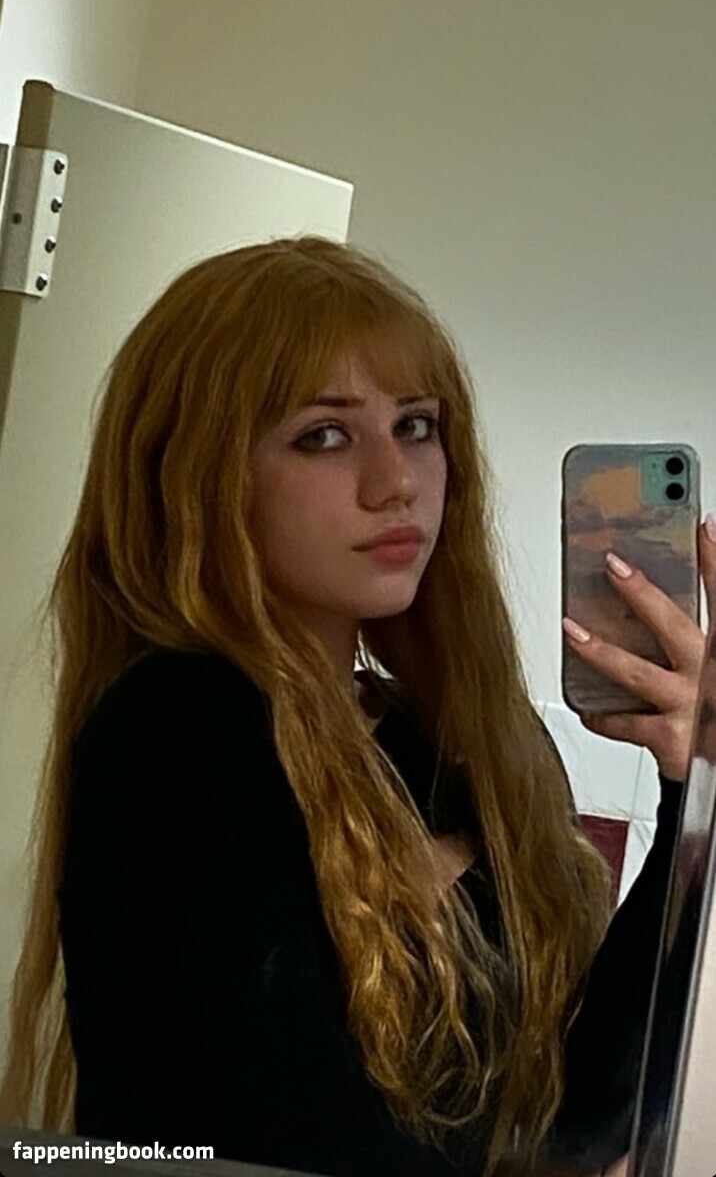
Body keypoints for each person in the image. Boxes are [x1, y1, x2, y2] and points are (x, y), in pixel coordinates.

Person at [0, 237, 712, 1177]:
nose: (397, 482)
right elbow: (299, 1138)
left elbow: (573, 1122)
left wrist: (695, 791)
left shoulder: (452, 742)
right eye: (324, 436)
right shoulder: (179, 722)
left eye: (416, 425)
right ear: (199, 477)